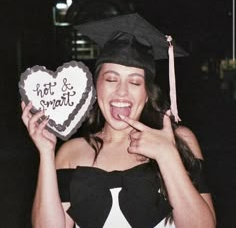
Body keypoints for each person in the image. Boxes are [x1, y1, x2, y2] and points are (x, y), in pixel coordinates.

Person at [21, 13, 216, 228]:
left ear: (147, 93)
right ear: (96, 87)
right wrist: (46, 153)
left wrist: (167, 155)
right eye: (111, 79)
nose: (122, 92)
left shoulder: (179, 140)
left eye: (135, 82)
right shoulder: (72, 152)